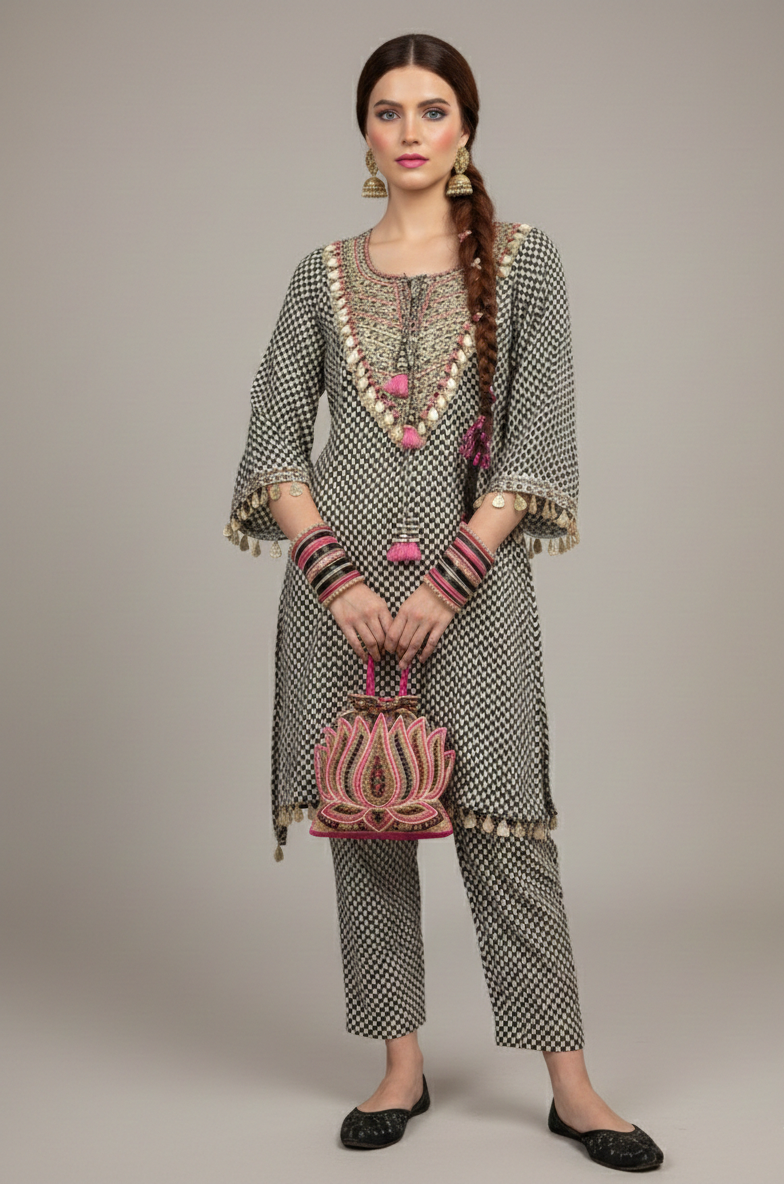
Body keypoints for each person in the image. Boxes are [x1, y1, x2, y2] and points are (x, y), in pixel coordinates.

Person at [223, 32, 663, 1172]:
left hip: (473, 592)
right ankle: (398, 1065)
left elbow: (538, 441)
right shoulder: (318, 272)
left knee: (506, 822)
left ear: (466, 129)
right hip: (339, 602)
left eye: (430, 110)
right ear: (363, 134)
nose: (409, 131)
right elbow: (275, 440)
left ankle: (570, 1084)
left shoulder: (523, 262)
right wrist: (336, 572)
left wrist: (451, 575)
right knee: (367, 827)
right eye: (387, 112)